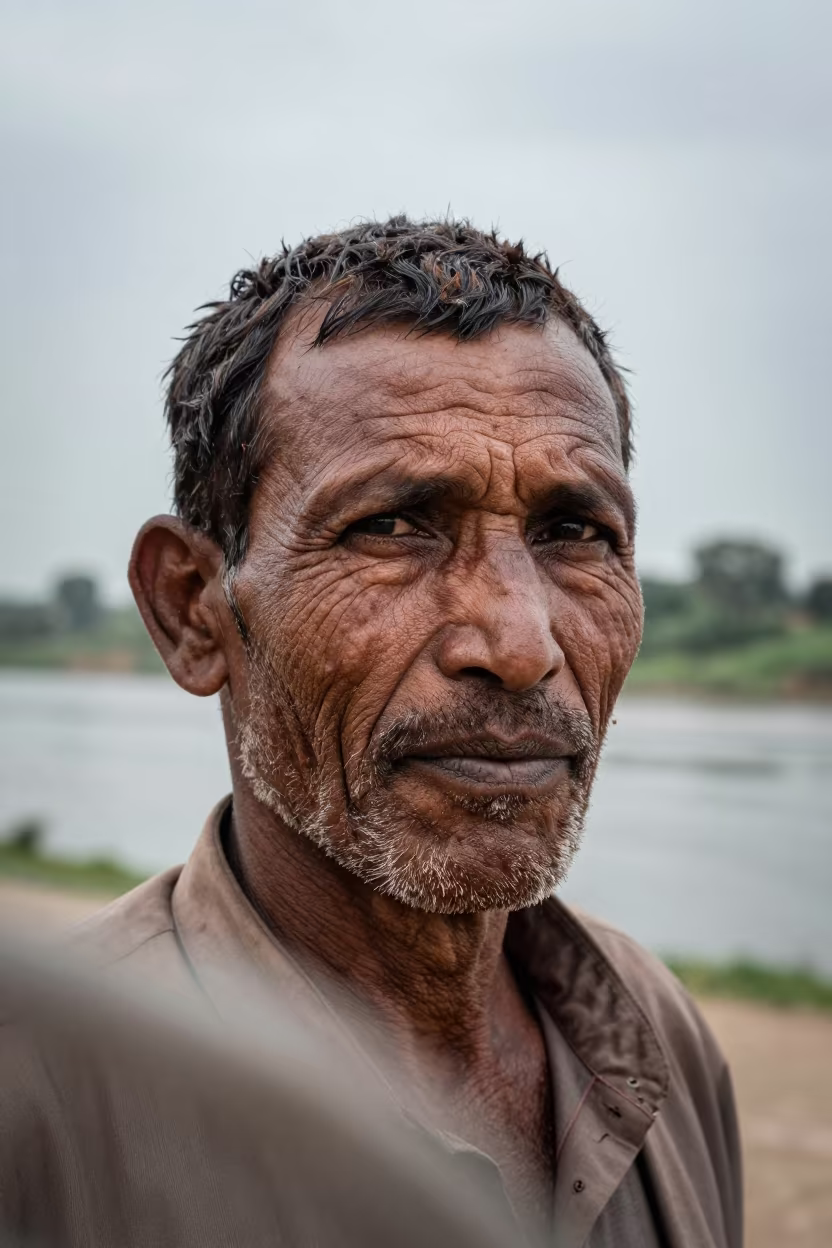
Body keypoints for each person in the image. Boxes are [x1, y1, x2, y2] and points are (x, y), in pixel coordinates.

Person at [10, 219, 742, 1246]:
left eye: (574, 532)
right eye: (392, 526)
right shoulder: (38, 1098)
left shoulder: (653, 1039)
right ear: (192, 609)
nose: (520, 642)